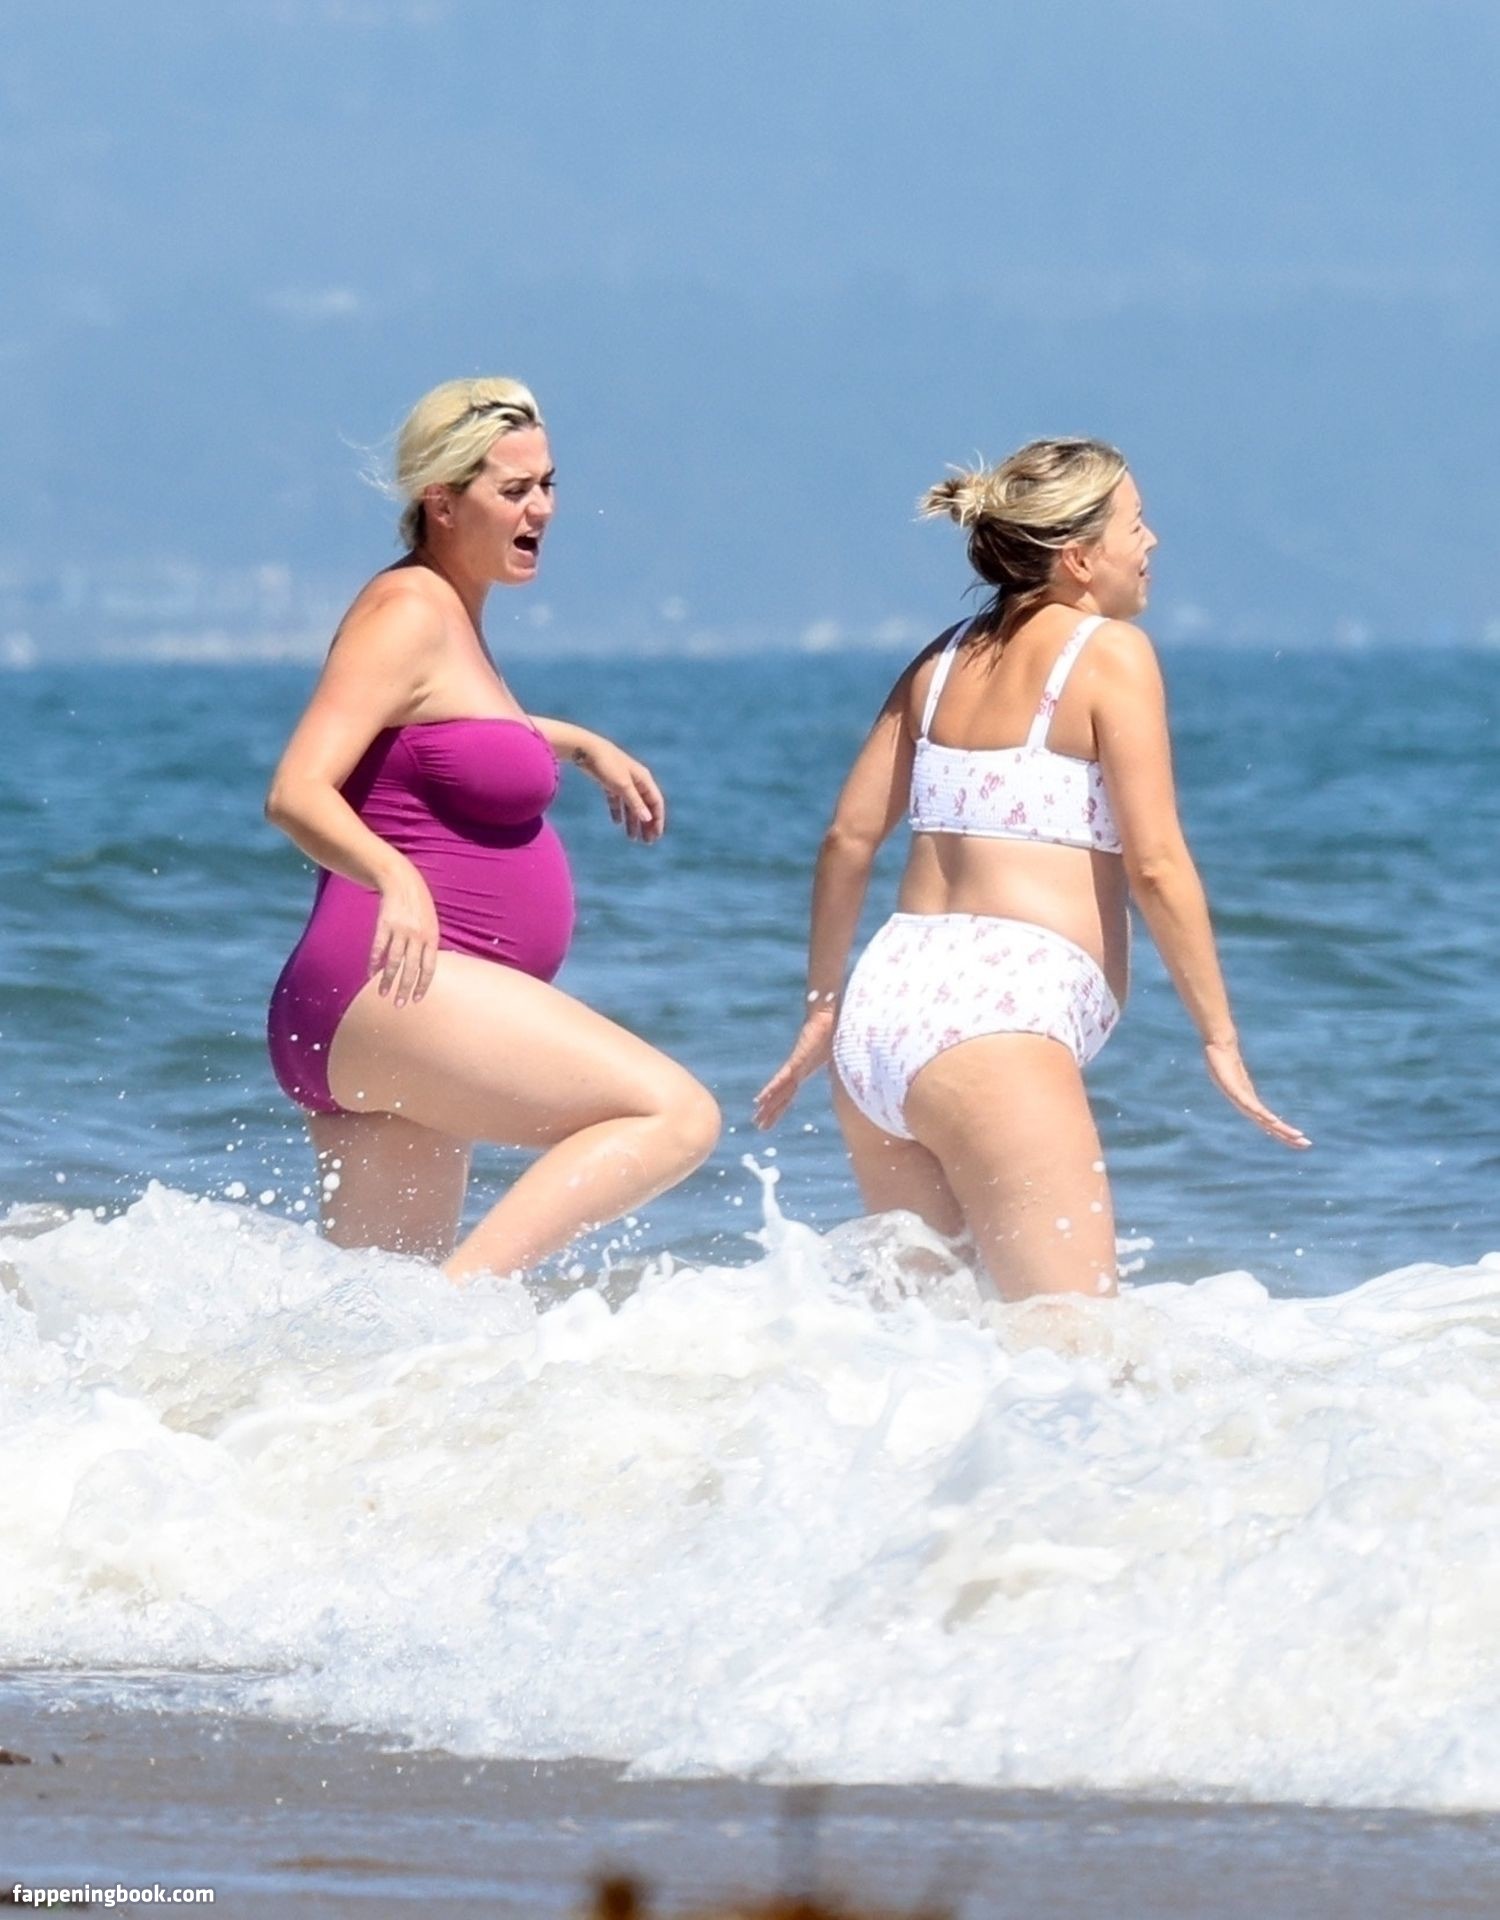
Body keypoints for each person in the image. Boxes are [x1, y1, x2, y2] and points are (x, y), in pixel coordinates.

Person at [754, 437, 1306, 1299]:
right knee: (1076, 1342)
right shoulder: (1110, 653)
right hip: (995, 1027)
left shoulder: (940, 661)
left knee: (933, 1342)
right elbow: (1157, 865)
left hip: (879, 1019)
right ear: (1079, 557)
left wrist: (822, 1009)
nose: (1152, 540)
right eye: (1136, 523)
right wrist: (1220, 1038)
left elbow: (847, 840)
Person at [266, 376, 720, 1280]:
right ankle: (469, 1306)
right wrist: (395, 877)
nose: (540, 509)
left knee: (382, 1323)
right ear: (442, 503)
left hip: (384, 1011)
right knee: (673, 1116)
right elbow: (297, 791)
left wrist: (575, 742)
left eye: (547, 485)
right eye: (513, 490)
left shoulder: (447, 615)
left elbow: (436, 734)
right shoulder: (407, 612)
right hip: (388, 985)